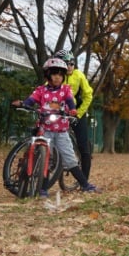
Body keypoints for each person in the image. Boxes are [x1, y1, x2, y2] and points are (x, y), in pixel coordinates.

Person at [11, 58, 98, 196]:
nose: (57, 77)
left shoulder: (65, 90)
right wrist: (23, 103)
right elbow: (31, 99)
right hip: (45, 130)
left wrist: (73, 110)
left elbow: (70, 101)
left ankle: (85, 184)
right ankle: (43, 189)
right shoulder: (41, 90)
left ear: (63, 77)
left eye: (60, 75)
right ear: (48, 76)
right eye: (54, 74)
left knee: (70, 159)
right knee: (47, 159)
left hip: (61, 131)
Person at [54, 50, 94, 179]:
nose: (70, 66)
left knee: (83, 144)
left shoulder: (79, 75)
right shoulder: (55, 76)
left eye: (72, 63)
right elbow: (43, 91)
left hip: (76, 111)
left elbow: (88, 95)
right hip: (57, 111)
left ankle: (85, 180)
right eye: (67, 63)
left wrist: (79, 114)